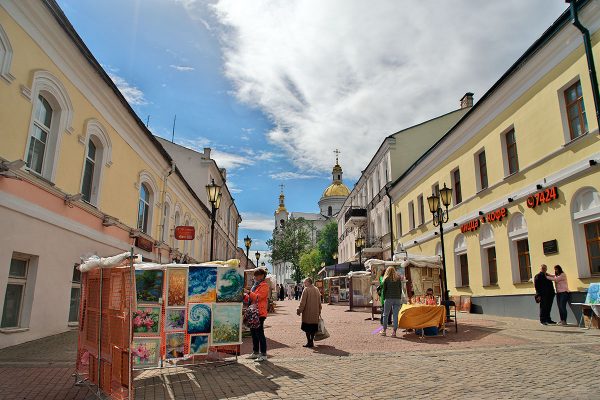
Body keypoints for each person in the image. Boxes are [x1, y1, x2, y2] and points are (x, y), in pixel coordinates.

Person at [244, 268, 269, 362]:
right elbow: (250, 298)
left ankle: (263, 354)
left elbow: (258, 297)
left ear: (262, 276)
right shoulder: (255, 286)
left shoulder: (264, 286)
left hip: (259, 313)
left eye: (256, 275)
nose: (255, 277)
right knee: (253, 333)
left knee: (260, 333)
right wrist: (245, 295)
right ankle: (255, 352)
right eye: (255, 275)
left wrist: (249, 292)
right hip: (253, 312)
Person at [297, 277, 322, 348]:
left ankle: (309, 342)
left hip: (307, 313)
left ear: (308, 282)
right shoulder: (317, 289)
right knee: (313, 328)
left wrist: (299, 310)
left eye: (305, 282)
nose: (304, 284)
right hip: (315, 312)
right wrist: (319, 310)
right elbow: (320, 302)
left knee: (307, 328)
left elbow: (302, 302)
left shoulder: (306, 289)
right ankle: (311, 341)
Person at [381, 266, 403, 337]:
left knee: (386, 314)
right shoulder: (398, 279)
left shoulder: (386, 279)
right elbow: (400, 289)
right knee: (395, 316)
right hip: (397, 299)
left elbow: (384, 290)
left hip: (388, 298)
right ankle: (394, 332)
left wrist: (384, 298)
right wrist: (399, 297)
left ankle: (384, 331)